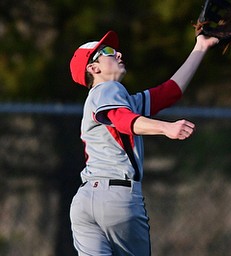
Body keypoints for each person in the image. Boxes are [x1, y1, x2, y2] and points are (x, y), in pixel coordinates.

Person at [69, 30, 219, 256]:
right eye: (108, 52)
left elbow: (169, 92)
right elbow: (122, 120)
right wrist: (165, 127)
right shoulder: (108, 89)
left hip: (84, 202)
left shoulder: (117, 99)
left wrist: (201, 47)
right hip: (116, 199)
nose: (118, 54)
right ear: (93, 68)